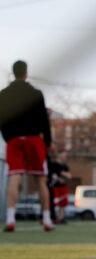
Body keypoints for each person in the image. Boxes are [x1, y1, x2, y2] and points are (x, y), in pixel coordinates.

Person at [0, 60, 54, 232]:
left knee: (14, 178)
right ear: (26, 73)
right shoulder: (35, 93)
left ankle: (10, 219)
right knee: (40, 180)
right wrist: (47, 141)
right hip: (33, 139)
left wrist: (8, 137)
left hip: (14, 139)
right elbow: (44, 119)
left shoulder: (4, 94)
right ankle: (46, 220)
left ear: (13, 72)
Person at [50, 150, 71, 224]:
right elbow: (53, 175)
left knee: (63, 203)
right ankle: (54, 218)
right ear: (59, 155)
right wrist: (59, 179)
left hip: (63, 187)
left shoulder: (65, 166)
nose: (65, 156)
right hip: (55, 187)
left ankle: (61, 218)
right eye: (64, 154)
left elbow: (69, 176)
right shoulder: (53, 164)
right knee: (55, 203)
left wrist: (63, 174)